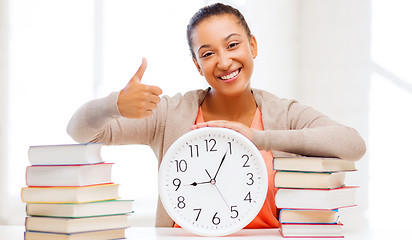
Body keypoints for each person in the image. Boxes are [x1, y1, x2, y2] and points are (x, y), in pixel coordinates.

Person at [67, 3, 366, 228]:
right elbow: (80, 131)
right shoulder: (170, 115)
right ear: (198, 65)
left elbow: (353, 145)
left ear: (253, 46)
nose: (224, 61)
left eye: (233, 45)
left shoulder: (283, 114)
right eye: (208, 53)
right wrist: (114, 105)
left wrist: (258, 138)